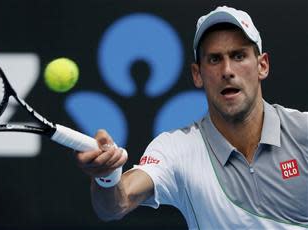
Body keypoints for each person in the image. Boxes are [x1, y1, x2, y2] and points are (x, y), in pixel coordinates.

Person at [74, 6, 308, 229]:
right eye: (214, 59)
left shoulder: (303, 131)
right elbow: (115, 205)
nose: (227, 70)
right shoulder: (177, 149)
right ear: (197, 74)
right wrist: (106, 177)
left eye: (238, 56)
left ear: (262, 66)